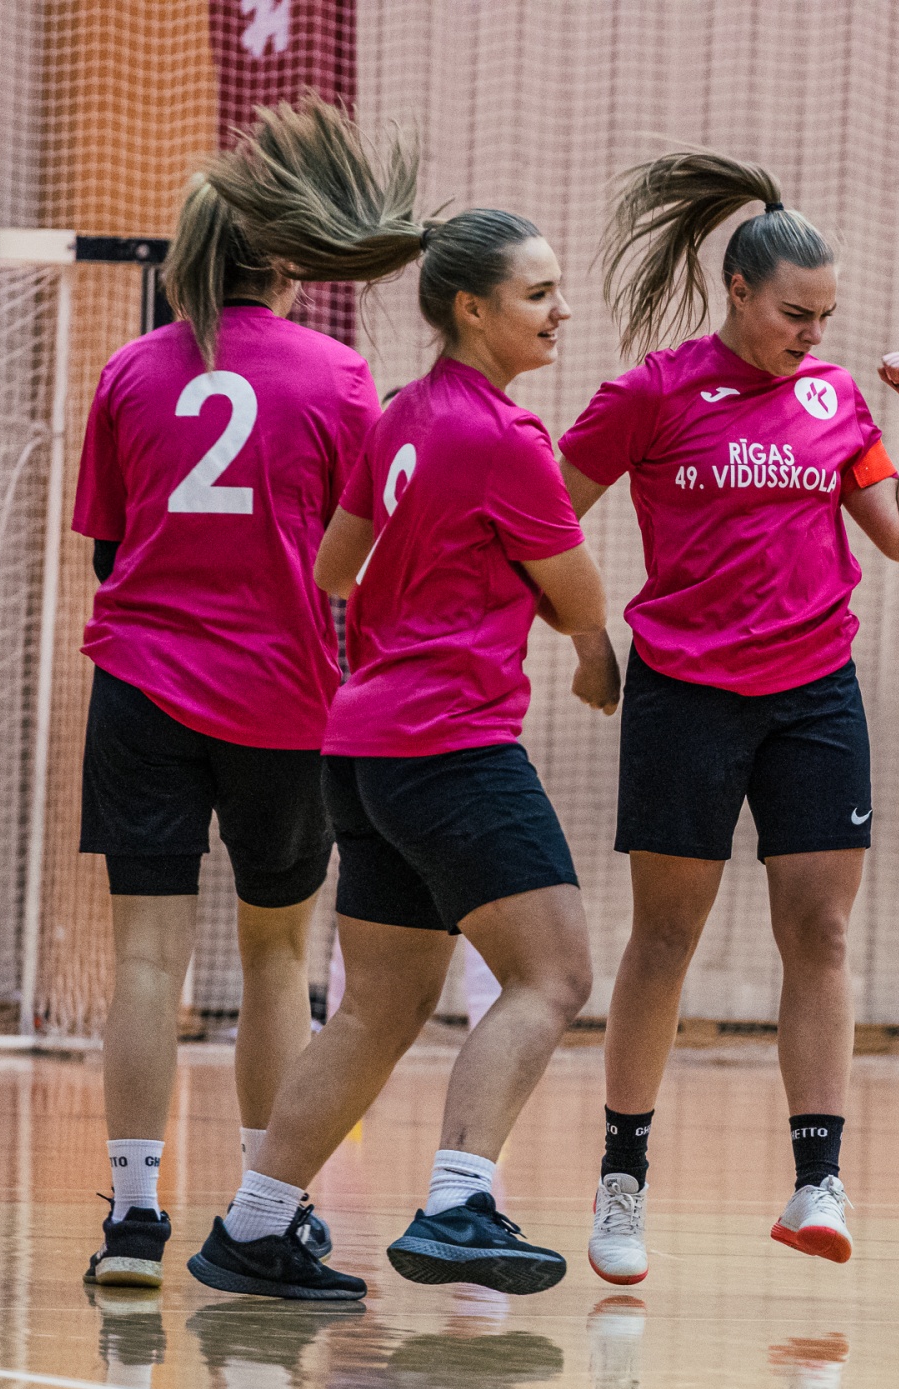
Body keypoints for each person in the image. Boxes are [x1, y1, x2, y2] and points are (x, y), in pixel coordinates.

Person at [185, 119, 617, 1304]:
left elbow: (335, 570)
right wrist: (584, 644)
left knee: (379, 1004)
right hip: (452, 743)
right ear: (472, 309)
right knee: (554, 976)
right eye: (538, 293)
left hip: (361, 747)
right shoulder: (508, 438)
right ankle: (459, 1203)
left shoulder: (400, 417)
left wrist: (446, 570)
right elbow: (581, 598)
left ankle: (254, 1229)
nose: (560, 312)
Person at [558, 149, 899, 1285]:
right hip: (685, 694)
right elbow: (543, 516)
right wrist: (588, 642)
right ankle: (622, 1179)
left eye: (826, 318)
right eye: (794, 314)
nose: (812, 336)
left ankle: (819, 1180)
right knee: (665, 940)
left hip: (815, 693)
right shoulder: (653, 392)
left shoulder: (834, 398)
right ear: (737, 291)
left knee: (820, 932)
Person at [73, 100, 419, 1287]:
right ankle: (268, 1215)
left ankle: (131, 1220)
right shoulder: (339, 376)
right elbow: (363, 549)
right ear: (287, 257)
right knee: (277, 958)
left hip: (140, 690)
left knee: (144, 961)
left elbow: (110, 551)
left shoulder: (128, 371)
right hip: (284, 698)